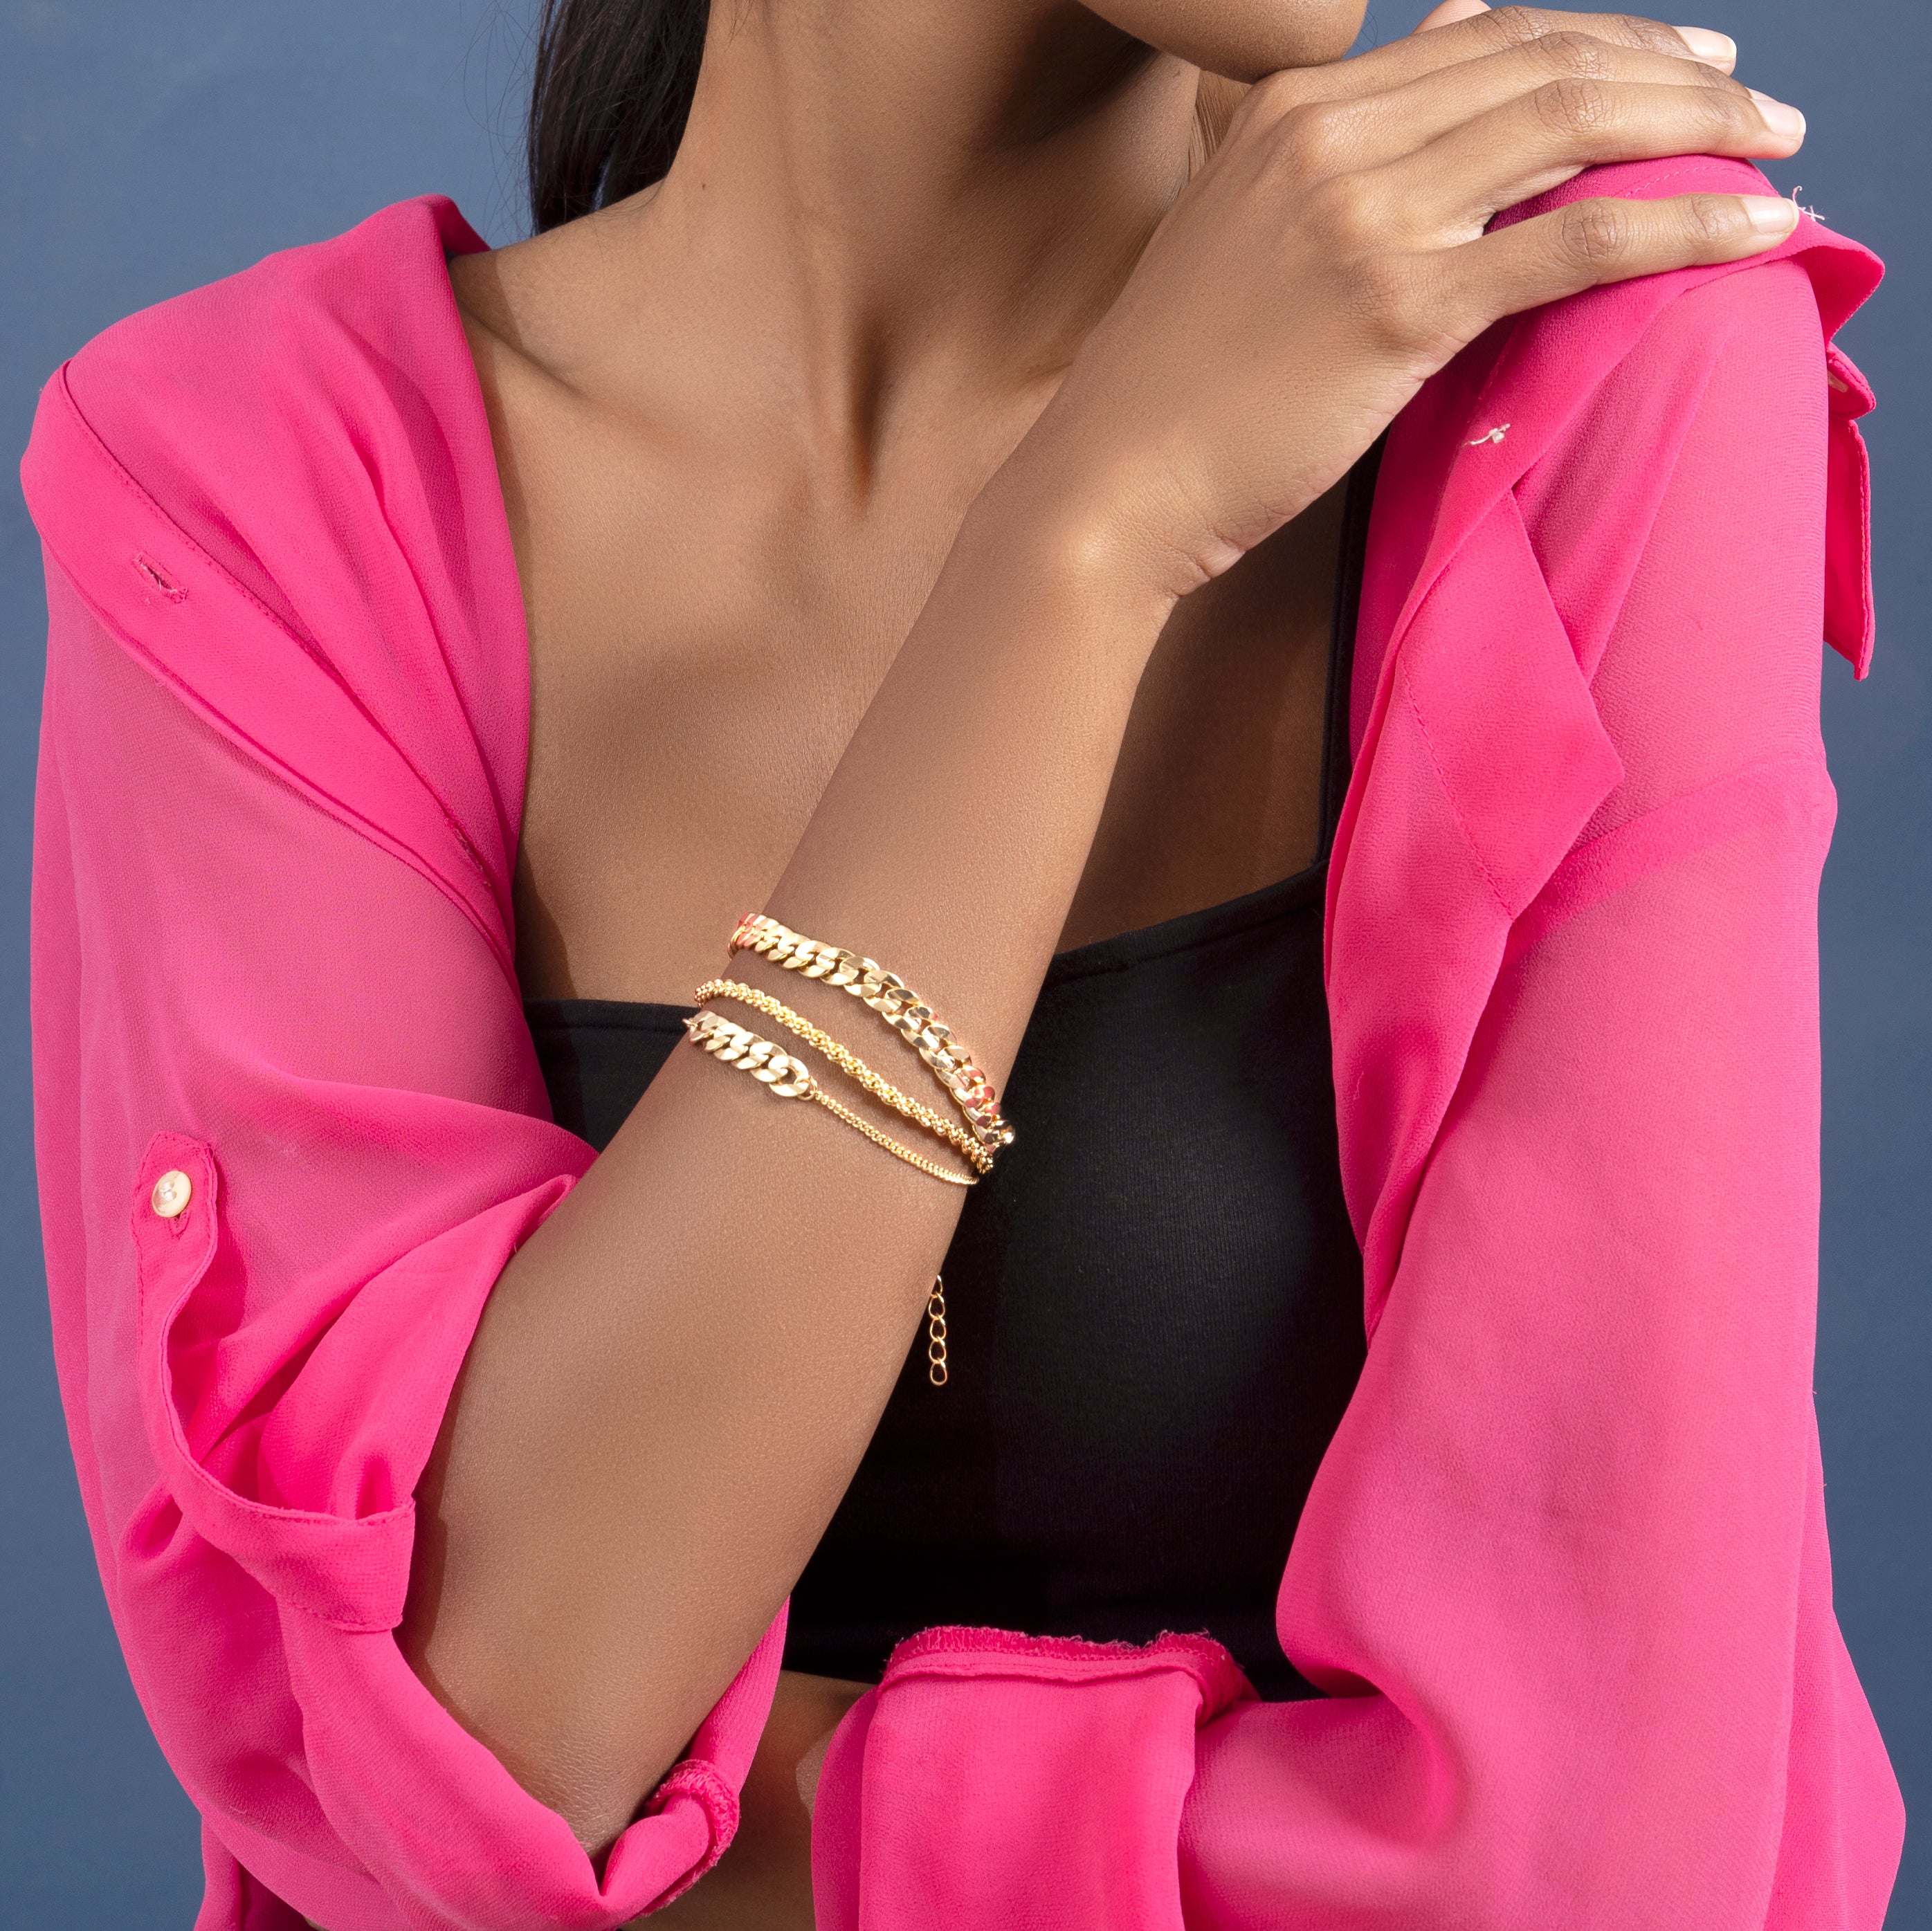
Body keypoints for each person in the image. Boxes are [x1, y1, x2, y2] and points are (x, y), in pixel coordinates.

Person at [21, 0, 1900, 1924]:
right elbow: (490, 1720)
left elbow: (1585, 1863)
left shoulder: (1583, 330)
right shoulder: (250, 485)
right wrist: (1080, 540)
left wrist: (676, 1848)